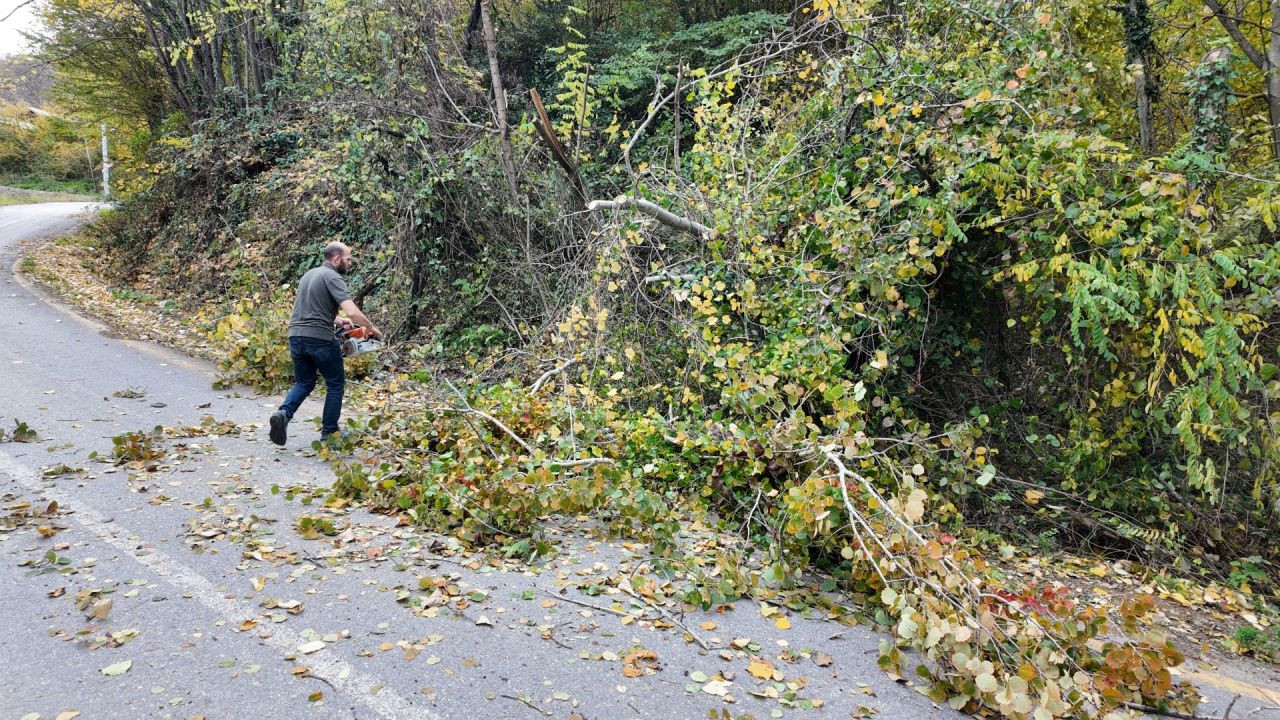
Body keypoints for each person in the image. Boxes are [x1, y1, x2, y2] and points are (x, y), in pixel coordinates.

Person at [269, 242, 382, 446]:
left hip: (296, 336)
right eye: (348, 259)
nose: (349, 263)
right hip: (319, 338)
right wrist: (371, 328)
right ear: (336, 259)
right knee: (335, 383)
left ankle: (284, 414)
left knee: (304, 382)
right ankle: (330, 433)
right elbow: (352, 311)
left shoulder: (309, 275)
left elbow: (310, 310)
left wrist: (337, 320)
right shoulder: (332, 276)